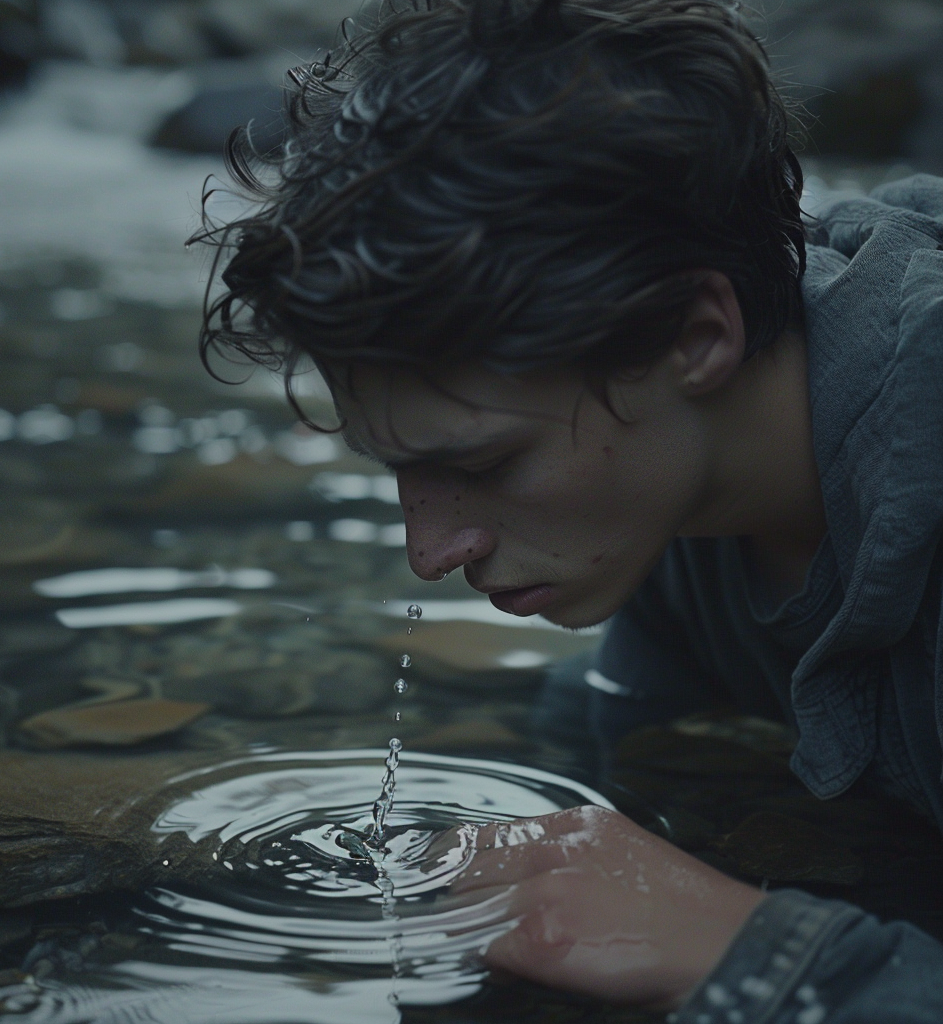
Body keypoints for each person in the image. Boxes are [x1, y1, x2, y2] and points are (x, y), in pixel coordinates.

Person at [195, 0, 943, 1018]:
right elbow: (621, 741)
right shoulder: (671, 502)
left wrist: (766, 956)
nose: (429, 551)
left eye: (487, 459)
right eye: (398, 472)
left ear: (693, 334)